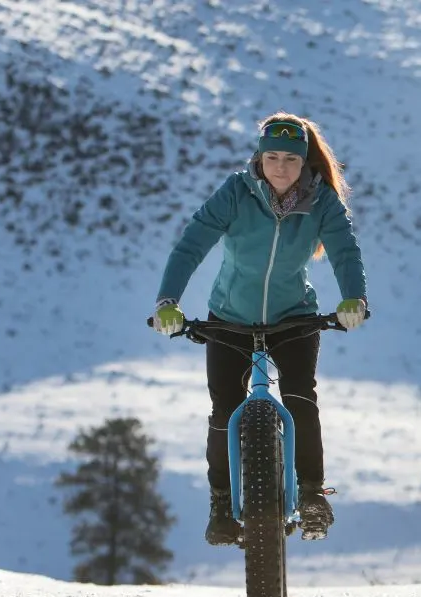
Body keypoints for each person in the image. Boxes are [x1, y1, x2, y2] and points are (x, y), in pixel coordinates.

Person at [151, 112, 368, 545]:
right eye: (272, 157)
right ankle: (221, 504)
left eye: (291, 158)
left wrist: (354, 298)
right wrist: (167, 301)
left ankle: (311, 495)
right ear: (259, 157)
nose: (281, 167)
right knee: (225, 409)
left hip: (294, 317)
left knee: (301, 398)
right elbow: (192, 244)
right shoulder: (236, 192)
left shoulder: (322, 200)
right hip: (230, 317)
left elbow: (345, 250)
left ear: (305, 162)